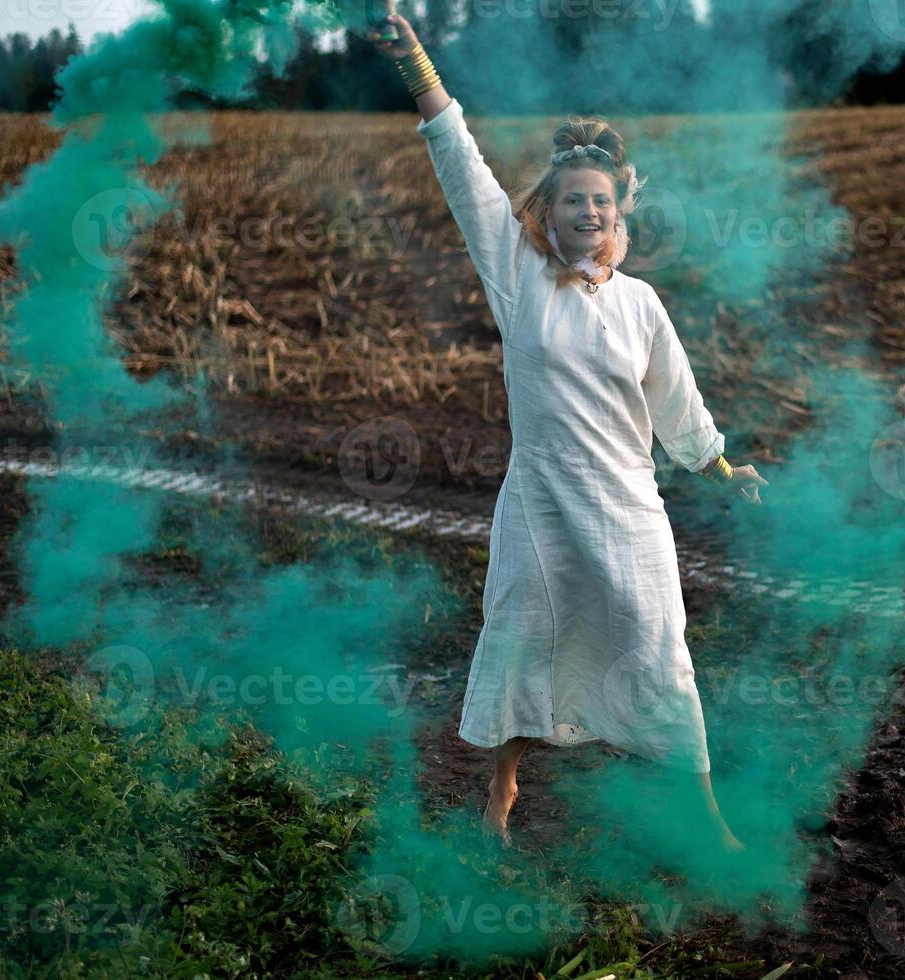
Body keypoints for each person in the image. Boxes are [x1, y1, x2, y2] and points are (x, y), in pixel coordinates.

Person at [370, 15, 768, 854]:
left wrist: (718, 463)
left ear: (619, 210)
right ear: (544, 212)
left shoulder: (641, 303)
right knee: (526, 643)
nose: (586, 210)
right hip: (542, 510)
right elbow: (460, 164)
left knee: (660, 655)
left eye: (599, 199)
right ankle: (502, 791)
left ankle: (705, 821)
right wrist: (416, 64)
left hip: (629, 510)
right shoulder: (518, 277)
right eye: (570, 199)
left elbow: (676, 402)